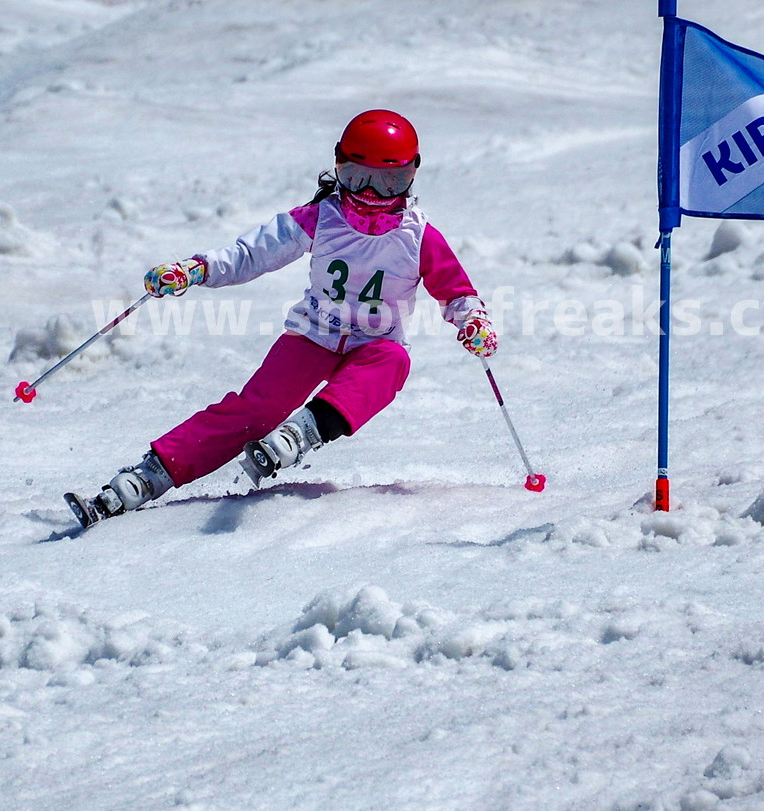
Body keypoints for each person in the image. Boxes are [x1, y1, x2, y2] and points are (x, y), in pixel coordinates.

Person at [66, 110, 497, 528]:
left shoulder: (418, 236)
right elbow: (252, 254)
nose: (371, 194)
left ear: (412, 175)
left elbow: (457, 291)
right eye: (356, 177)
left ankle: (305, 431)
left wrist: (472, 321)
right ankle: (151, 474)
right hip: (312, 336)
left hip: (373, 342)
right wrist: (197, 269)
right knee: (255, 410)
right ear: (338, 166)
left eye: (390, 181)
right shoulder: (319, 218)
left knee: (393, 362)